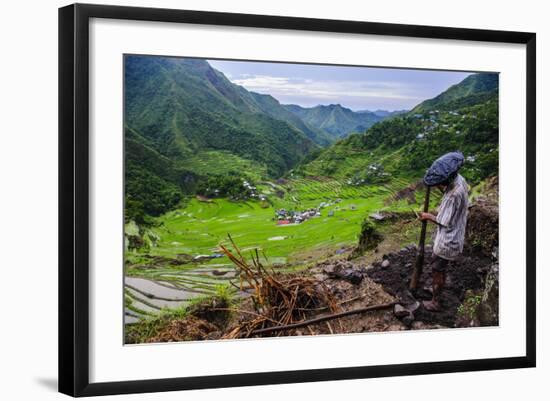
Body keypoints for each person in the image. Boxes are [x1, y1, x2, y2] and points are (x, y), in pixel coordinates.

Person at [419, 152, 469, 311]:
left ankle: (436, 301)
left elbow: (444, 221)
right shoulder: (460, 180)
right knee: (439, 266)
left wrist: (427, 216)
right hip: (456, 233)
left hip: (449, 239)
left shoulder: (452, 196)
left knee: (437, 268)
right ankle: (437, 290)